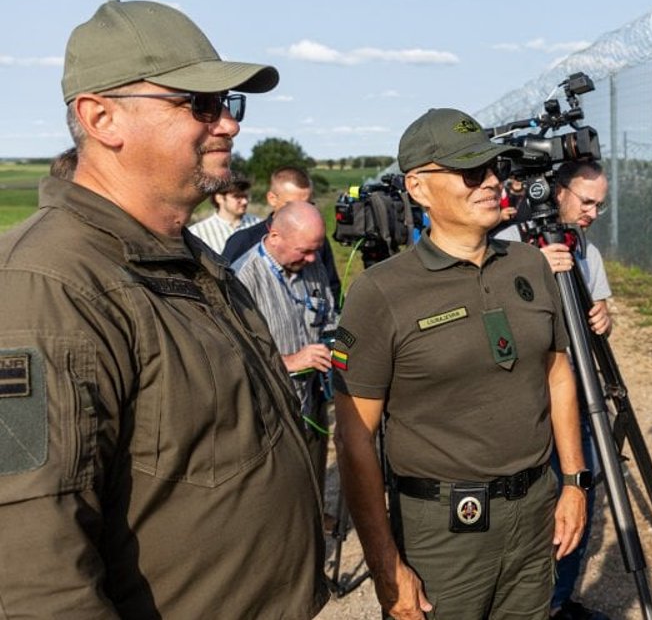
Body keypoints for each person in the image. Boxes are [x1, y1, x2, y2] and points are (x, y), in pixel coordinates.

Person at [0, 0, 327, 616]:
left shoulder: (186, 262)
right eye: (199, 104)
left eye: (229, 104)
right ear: (101, 118)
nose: (227, 124)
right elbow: (30, 565)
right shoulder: (46, 285)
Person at [333, 107, 588, 620]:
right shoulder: (381, 291)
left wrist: (575, 482)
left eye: (495, 169)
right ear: (419, 187)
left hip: (535, 514)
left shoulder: (530, 265)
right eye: (471, 172)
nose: (492, 182)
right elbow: (354, 438)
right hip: (443, 534)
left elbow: (557, 374)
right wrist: (388, 568)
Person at [498, 159, 612, 620]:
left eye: (600, 206)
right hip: (524, 404)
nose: (592, 214)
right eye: (586, 202)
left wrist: (604, 317)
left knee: (580, 490)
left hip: (581, 395)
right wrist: (529, 270)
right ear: (556, 191)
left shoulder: (586, 248)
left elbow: (598, 310)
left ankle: (558, 601)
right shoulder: (506, 244)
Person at [233, 200, 337, 498]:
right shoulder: (242, 279)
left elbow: (328, 318)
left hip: (313, 403)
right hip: (271, 417)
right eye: (303, 250)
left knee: (312, 491)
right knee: (281, 498)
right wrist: (288, 361)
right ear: (274, 236)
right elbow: (232, 356)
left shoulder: (312, 264)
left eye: (316, 249)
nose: (312, 258)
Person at [223, 165, 342, 305]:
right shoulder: (243, 242)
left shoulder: (314, 242)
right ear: (272, 198)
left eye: (308, 205)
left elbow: (332, 289)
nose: (302, 211)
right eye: (292, 205)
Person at [188, 171, 261, 252]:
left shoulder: (258, 224)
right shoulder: (198, 233)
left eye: (245, 197)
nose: (244, 202)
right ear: (219, 198)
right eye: (237, 197)